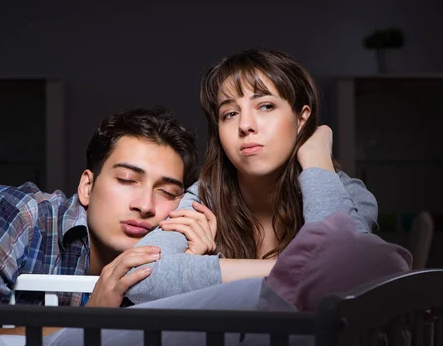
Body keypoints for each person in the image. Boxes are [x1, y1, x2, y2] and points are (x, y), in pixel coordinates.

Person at [0, 107, 214, 334]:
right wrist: (85, 325)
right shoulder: (13, 212)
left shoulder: (170, 250)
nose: (145, 205)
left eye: (167, 192)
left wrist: (191, 274)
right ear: (87, 186)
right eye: (126, 179)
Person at [125, 48, 380, 303]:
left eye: (265, 106)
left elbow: (347, 270)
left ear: (302, 119)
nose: (246, 125)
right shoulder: (204, 198)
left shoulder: (348, 194)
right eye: (230, 113)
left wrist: (316, 158)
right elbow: (138, 275)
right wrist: (299, 272)